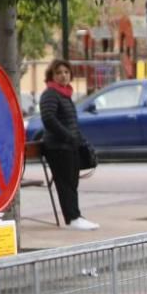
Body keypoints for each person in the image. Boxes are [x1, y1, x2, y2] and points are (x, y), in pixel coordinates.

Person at [38, 59, 99, 231]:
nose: (63, 75)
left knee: (72, 182)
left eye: (66, 72)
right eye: (59, 73)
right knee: (65, 183)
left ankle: (76, 215)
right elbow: (49, 119)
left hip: (69, 146)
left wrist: (79, 140)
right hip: (57, 147)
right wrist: (67, 136)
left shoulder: (65, 94)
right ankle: (72, 218)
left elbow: (71, 122)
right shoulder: (50, 94)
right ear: (52, 76)